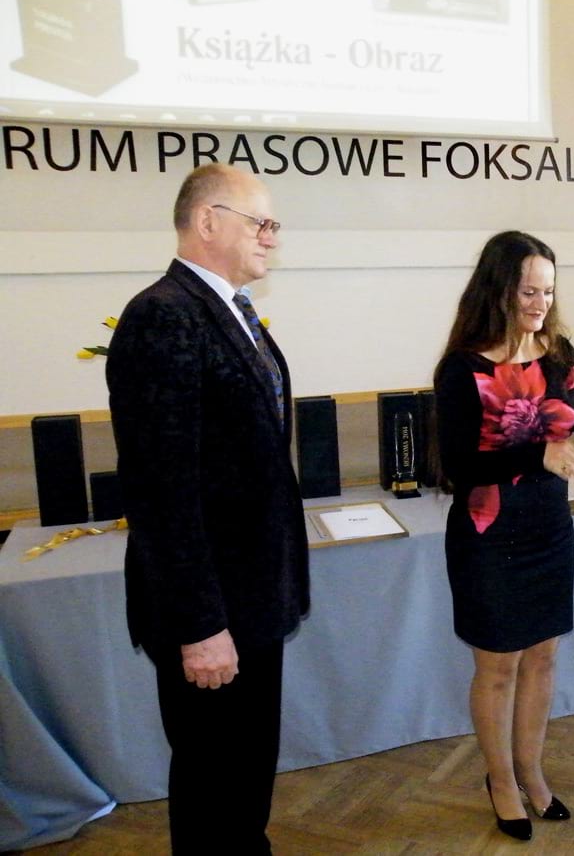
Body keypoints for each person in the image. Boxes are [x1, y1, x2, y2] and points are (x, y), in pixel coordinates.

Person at [106, 163, 309, 854]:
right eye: (261, 223)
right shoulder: (163, 316)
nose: (271, 238)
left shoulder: (228, 311)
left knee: (244, 780)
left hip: (251, 601)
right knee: (212, 786)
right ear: (207, 221)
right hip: (212, 613)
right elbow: (160, 490)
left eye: (274, 225)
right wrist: (199, 627)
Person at [433, 230, 574, 842]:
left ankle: (531, 770)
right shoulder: (463, 367)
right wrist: (538, 452)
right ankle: (500, 779)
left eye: (548, 291)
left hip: (548, 530)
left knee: (543, 657)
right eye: (528, 291)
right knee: (498, 666)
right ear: (498, 289)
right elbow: (458, 465)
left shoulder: (560, 355)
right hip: (488, 533)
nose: (540, 303)